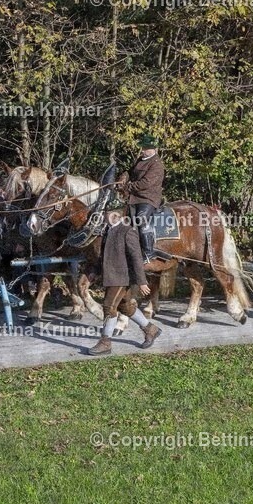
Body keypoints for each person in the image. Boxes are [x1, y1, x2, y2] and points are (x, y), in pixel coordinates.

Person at [88, 210, 161, 355]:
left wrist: (142, 281)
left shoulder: (127, 231)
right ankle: (150, 329)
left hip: (122, 277)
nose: (105, 217)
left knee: (109, 307)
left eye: (109, 214)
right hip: (112, 277)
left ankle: (105, 343)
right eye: (106, 215)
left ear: (117, 216)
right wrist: (95, 272)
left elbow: (136, 258)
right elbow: (103, 256)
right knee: (125, 307)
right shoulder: (108, 232)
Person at [125, 133, 166, 262]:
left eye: (145, 148)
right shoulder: (140, 160)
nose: (142, 151)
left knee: (141, 220)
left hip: (148, 198)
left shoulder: (157, 165)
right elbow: (129, 172)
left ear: (153, 149)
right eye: (142, 148)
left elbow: (146, 183)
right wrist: (123, 178)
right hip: (133, 197)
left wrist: (128, 187)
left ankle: (149, 252)